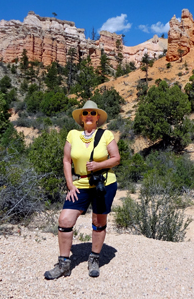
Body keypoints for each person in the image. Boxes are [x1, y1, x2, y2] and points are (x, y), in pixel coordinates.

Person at [44, 100, 120, 279]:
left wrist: (98, 165)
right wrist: (70, 184)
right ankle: (63, 264)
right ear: (81, 117)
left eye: (93, 113)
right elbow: (66, 160)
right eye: (86, 113)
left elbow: (116, 158)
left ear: (98, 117)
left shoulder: (106, 135)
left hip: (104, 183)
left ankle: (94, 258)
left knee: (98, 220)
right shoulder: (72, 135)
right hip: (80, 183)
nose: (89, 116)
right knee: (65, 219)